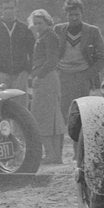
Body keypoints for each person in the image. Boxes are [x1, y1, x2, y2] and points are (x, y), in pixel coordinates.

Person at [53, 0, 104, 123]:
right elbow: (50, 53)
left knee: (83, 113)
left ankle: (80, 141)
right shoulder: (58, 30)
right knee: (62, 112)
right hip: (63, 76)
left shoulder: (92, 31)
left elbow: (102, 58)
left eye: (77, 14)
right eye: (71, 15)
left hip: (82, 76)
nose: (74, 18)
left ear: (82, 14)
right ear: (66, 15)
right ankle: (62, 140)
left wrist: (87, 75)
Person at [28, 9, 66, 165]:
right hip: (48, 77)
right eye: (35, 23)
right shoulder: (45, 36)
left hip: (46, 78)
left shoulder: (49, 36)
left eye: (40, 23)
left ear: (47, 22)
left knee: (40, 115)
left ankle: (51, 154)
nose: (37, 26)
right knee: (51, 116)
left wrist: (39, 76)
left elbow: (52, 60)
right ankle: (54, 155)